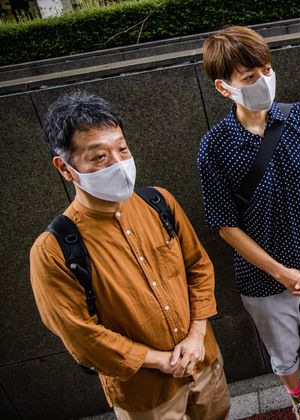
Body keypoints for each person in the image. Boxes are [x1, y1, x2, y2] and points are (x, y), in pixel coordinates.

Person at [29, 91, 230, 420]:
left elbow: (198, 267)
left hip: (204, 362)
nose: (119, 163)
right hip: (146, 393)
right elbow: (83, 338)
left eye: (122, 149)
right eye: (99, 157)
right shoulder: (52, 251)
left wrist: (196, 336)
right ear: (65, 169)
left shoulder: (159, 202)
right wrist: (160, 360)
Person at [197, 26, 300, 420]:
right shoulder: (214, 146)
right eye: (249, 77)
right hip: (263, 279)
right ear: (224, 88)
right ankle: (298, 399)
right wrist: (280, 273)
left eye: (266, 69)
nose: (263, 80)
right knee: (282, 350)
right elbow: (225, 225)